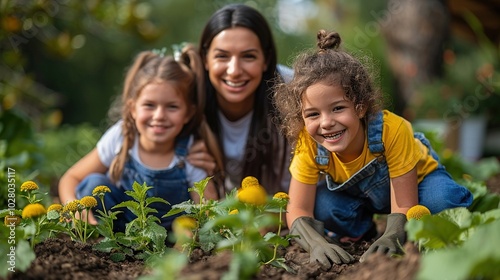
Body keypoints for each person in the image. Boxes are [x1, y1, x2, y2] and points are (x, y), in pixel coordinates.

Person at [273, 30, 473, 268]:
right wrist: (314, 242)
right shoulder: (309, 143)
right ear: (301, 117)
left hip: (417, 186)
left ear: (360, 107)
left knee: (442, 201)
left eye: (337, 108)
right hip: (361, 197)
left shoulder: (392, 129)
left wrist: (393, 236)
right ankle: (362, 232)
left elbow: (404, 202)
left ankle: (416, 230)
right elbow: (297, 207)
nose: (326, 122)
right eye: (313, 114)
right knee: (323, 207)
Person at [58, 44, 223, 232]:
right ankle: (99, 245)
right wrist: (76, 211)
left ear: (188, 113)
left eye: (172, 107)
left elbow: (208, 209)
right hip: (120, 234)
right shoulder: (122, 136)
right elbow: (71, 178)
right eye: (149, 105)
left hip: (169, 240)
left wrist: (187, 241)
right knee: (93, 184)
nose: (159, 115)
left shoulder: (191, 152)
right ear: (132, 108)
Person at [187, 3, 293, 194]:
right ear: (205, 58)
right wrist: (181, 156)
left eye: (248, 56)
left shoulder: (291, 88)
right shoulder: (186, 90)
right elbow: (134, 123)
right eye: (222, 56)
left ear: (266, 60)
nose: (234, 71)